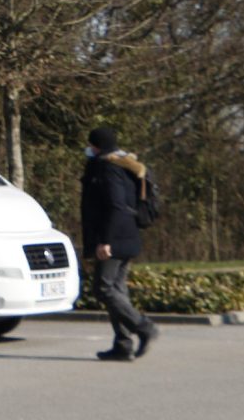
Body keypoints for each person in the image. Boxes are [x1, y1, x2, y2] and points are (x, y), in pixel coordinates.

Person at [80, 125, 160, 361]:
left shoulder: (108, 168)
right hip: (127, 234)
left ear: (96, 146)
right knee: (117, 290)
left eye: (91, 145)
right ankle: (123, 344)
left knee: (103, 288)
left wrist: (105, 241)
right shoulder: (124, 164)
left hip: (114, 237)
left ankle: (143, 327)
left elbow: (115, 205)